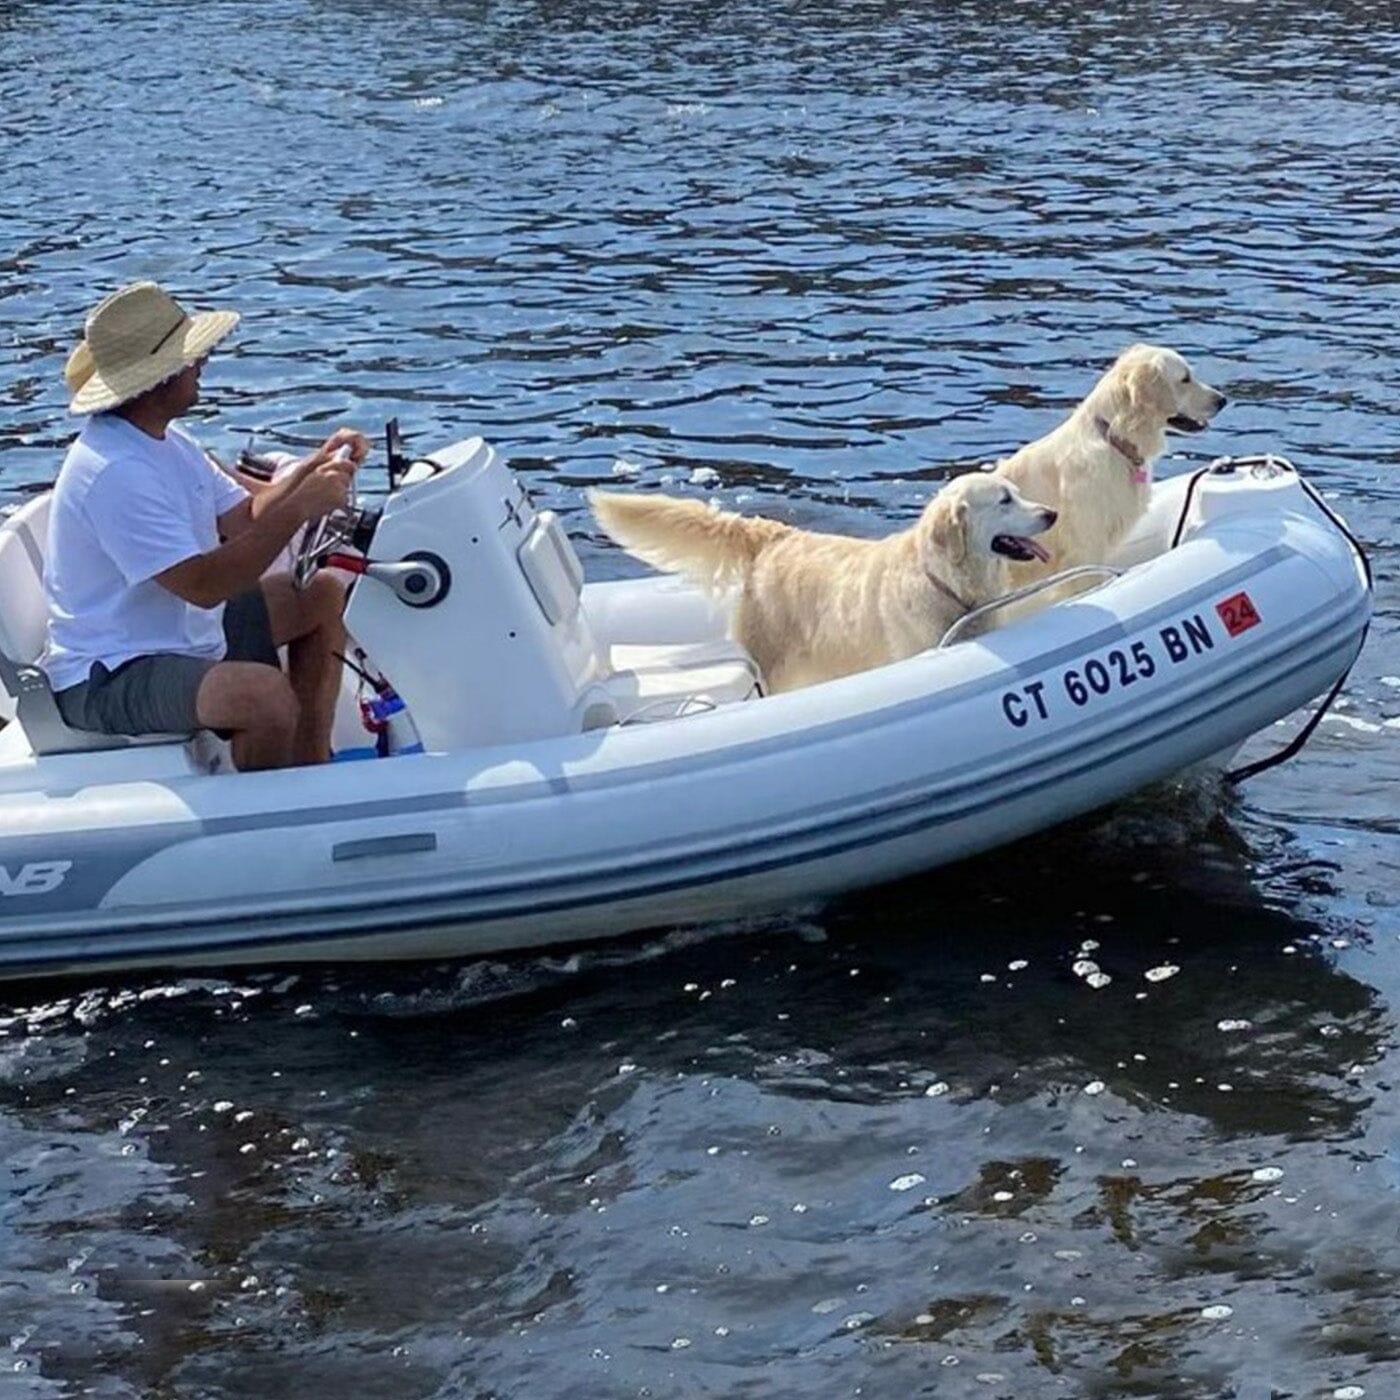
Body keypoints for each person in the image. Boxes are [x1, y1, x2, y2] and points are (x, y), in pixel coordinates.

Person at [43, 280, 369, 771]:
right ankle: (269, 822)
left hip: (179, 632)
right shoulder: (114, 471)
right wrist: (302, 508)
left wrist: (316, 464)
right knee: (264, 698)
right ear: (156, 379)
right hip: (109, 673)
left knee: (321, 594)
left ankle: (310, 771)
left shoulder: (166, 439)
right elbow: (204, 585)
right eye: (190, 357)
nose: (202, 363)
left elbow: (245, 517)